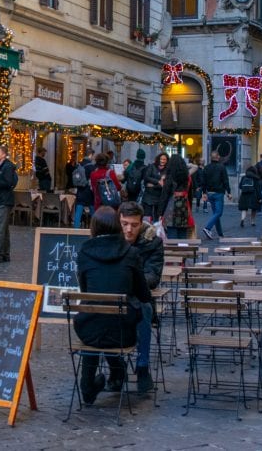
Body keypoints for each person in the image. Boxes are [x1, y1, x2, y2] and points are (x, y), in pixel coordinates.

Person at [75, 206, 152, 404]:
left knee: (95, 318)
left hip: (89, 329)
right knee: (109, 320)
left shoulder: (84, 252)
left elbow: (85, 291)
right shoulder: (131, 253)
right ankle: (116, 375)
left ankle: (88, 387)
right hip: (122, 333)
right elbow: (144, 295)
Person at [118, 201, 163, 394]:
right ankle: (115, 367)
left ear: (141, 223)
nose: (128, 230)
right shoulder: (113, 239)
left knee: (144, 309)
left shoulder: (152, 242)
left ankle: (142, 366)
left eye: (134, 225)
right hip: (115, 298)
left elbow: (153, 276)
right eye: (124, 224)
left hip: (138, 297)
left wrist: (128, 280)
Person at [201, 152, 231, 240]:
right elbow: (225, 180)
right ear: (218, 157)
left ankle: (220, 233)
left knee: (216, 214)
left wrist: (204, 193)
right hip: (218, 193)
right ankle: (207, 228)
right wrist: (229, 192)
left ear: (211, 157)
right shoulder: (222, 167)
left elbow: (203, 182)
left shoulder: (206, 168)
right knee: (219, 213)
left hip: (209, 193)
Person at [141, 153, 169, 220]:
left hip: (160, 196)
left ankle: (157, 229)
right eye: (161, 159)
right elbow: (146, 177)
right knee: (147, 216)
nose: (162, 161)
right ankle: (148, 229)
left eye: (164, 159)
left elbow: (165, 184)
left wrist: (153, 185)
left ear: (167, 160)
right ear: (158, 159)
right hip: (149, 196)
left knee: (158, 217)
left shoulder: (168, 170)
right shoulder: (152, 166)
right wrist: (158, 181)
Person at [72, 149, 95, 228]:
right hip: (89, 191)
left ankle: (76, 227)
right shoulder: (91, 166)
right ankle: (94, 226)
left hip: (80, 190)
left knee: (79, 209)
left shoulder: (79, 165)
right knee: (92, 209)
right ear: (90, 155)